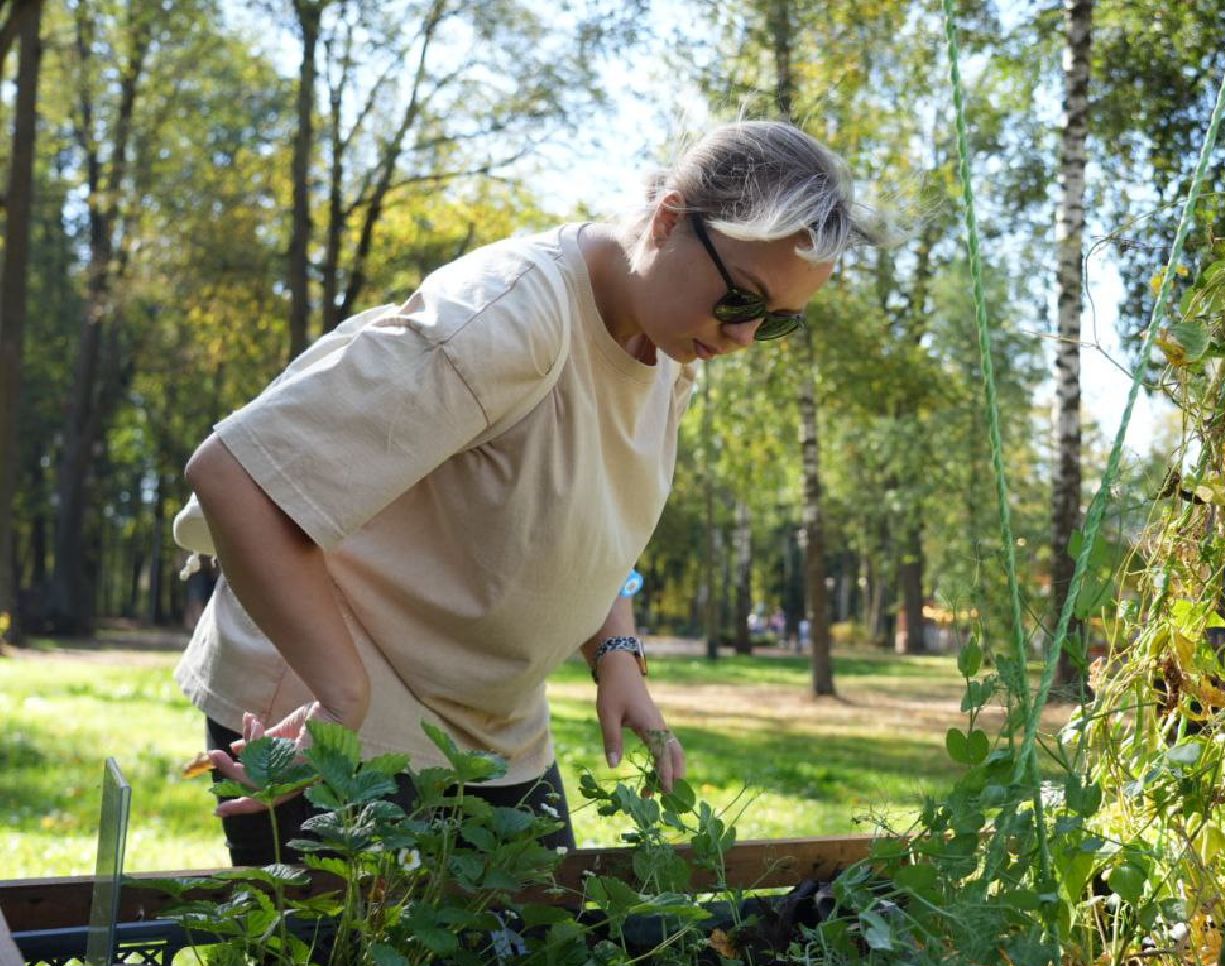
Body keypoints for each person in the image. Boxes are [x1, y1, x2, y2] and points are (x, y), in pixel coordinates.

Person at [173, 120, 886, 866]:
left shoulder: (671, 347)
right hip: (336, 714)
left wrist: (616, 651)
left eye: (775, 325)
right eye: (741, 301)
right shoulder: (506, 317)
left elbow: (588, 519)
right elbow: (237, 476)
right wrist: (341, 695)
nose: (743, 337)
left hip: (492, 731)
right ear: (670, 221)